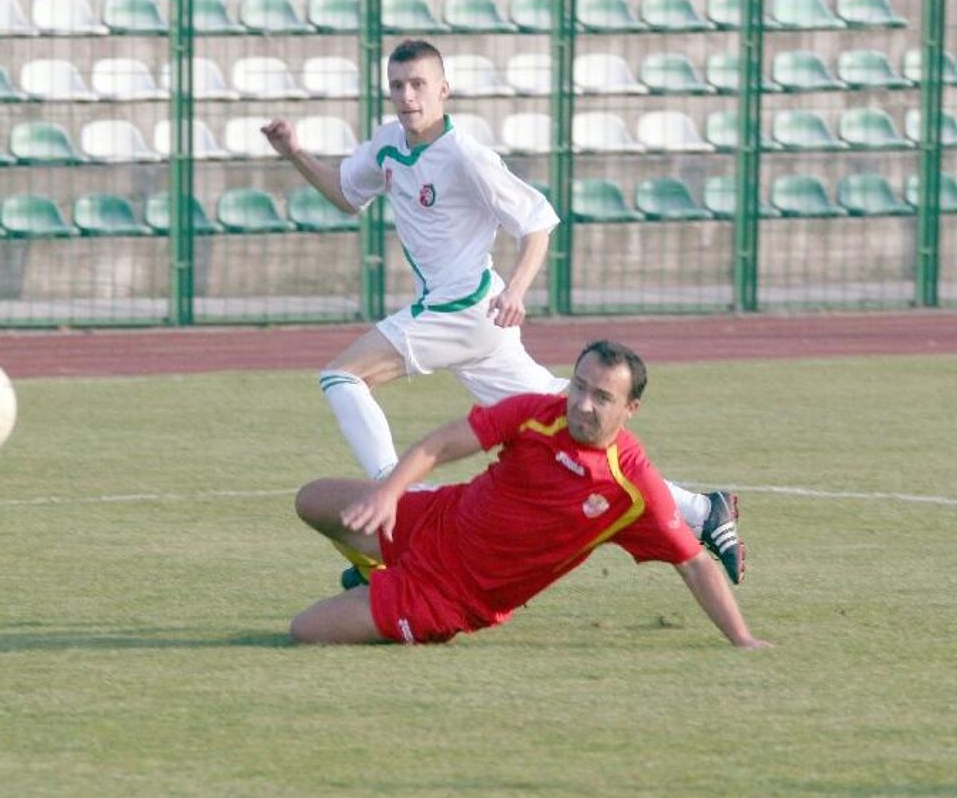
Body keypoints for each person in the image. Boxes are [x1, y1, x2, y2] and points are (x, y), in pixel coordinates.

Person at [261, 39, 744, 587]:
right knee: (559, 418)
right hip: (476, 324)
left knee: (341, 375)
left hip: (463, 309)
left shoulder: (466, 155)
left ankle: (395, 503)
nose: (407, 95)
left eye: (419, 84)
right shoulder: (388, 146)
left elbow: (537, 222)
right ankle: (703, 511)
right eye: (397, 85)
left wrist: (517, 289)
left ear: (443, 89)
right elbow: (348, 196)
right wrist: (294, 153)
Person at [289, 340, 770, 649]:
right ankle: (377, 574)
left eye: (601, 397)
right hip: (433, 520)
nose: (582, 404)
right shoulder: (537, 413)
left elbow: (694, 562)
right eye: (578, 386)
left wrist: (743, 640)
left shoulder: (633, 486)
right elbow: (440, 444)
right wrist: (389, 495)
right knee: (311, 499)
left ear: (631, 408)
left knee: (305, 631)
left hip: (450, 596)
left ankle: (391, 603)